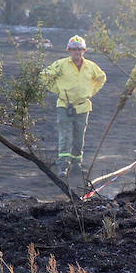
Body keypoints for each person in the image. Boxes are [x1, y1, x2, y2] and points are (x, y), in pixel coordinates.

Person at [41, 35, 107, 182]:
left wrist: (91, 91)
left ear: (84, 50)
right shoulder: (61, 64)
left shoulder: (91, 66)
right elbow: (44, 76)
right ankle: (63, 166)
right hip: (64, 106)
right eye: (74, 49)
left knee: (79, 137)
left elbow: (101, 77)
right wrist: (58, 90)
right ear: (68, 50)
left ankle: (77, 165)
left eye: (79, 49)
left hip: (83, 107)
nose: (77, 52)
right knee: (65, 136)